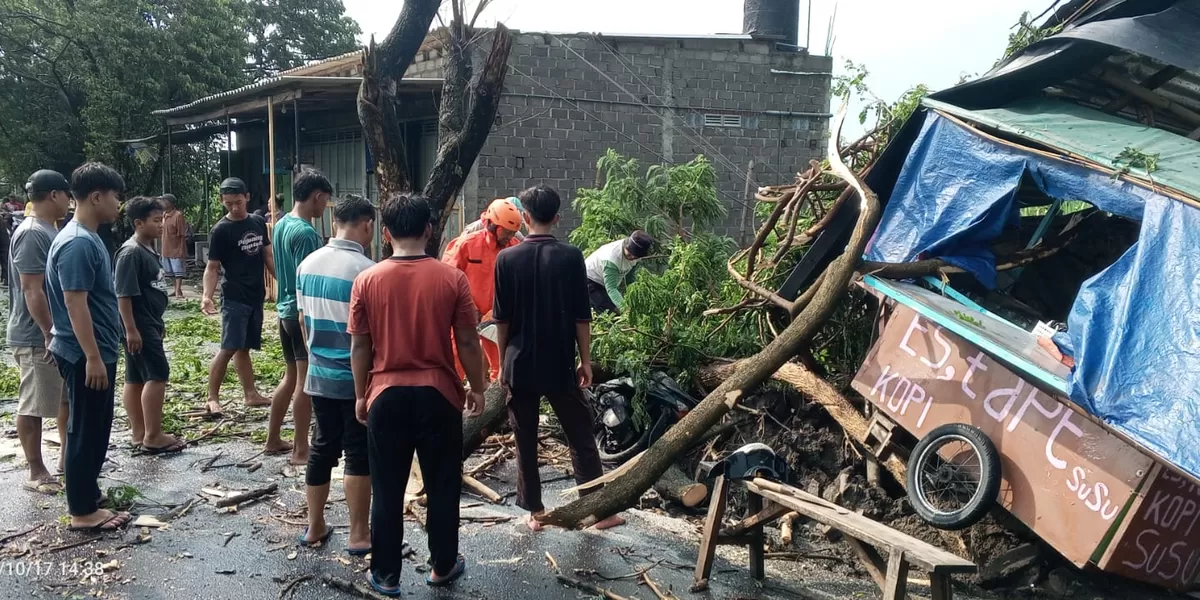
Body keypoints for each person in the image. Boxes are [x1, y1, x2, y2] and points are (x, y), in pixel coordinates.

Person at [348, 194, 486, 594]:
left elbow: (360, 347)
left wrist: (361, 395)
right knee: (443, 484)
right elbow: (468, 341)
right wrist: (476, 387)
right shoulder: (451, 278)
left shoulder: (368, 280)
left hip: (385, 395)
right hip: (439, 394)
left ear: (386, 233)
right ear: (429, 229)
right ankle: (443, 565)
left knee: (387, 487)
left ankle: (386, 575)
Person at [493, 185, 624, 532]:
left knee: (525, 438)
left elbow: (501, 320)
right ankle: (598, 511)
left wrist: (502, 362)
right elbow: (583, 317)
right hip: (559, 363)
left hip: (519, 363)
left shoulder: (506, 258)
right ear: (557, 218)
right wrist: (585, 360)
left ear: (525, 217)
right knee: (581, 434)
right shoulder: (570, 256)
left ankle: (535, 513)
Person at [46, 162, 130, 531]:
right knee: (86, 427)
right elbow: (73, 303)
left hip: (89, 350)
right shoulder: (79, 242)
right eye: (116, 197)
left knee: (97, 424)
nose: (119, 205)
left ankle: (88, 492)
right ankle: (82, 511)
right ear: (96, 197)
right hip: (86, 354)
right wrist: (93, 356)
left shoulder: (86, 236)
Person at [295, 195, 376, 555]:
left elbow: (301, 321)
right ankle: (359, 534)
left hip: (319, 374)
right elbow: (370, 336)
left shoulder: (307, 265)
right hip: (355, 379)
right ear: (367, 225)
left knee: (322, 448)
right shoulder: (366, 270)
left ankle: (314, 527)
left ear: (334, 222)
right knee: (358, 452)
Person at [8, 170, 72, 495]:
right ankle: (35, 470)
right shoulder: (33, 233)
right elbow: (32, 289)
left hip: (54, 331)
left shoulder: (51, 229)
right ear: (54, 195)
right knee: (33, 404)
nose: (69, 200)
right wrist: (48, 332)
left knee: (63, 400)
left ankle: (66, 459)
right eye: (66, 194)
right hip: (36, 335)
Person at [268, 169, 331, 465]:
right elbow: (307, 278)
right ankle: (300, 449)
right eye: (324, 202)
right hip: (299, 312)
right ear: (316, 197)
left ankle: (272, 439)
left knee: (290, 376)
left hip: (284, 311)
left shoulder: (281, 224)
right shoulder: (305, 233)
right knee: (305, 382)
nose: (324, 208)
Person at [116, 196, 185, 455]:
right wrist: (131, 329)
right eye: (156, 221)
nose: (161, 225)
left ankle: (140, 433)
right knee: (158, 374)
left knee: (135, 378)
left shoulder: (147, 249)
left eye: (163, 219)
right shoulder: (131, 252)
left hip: (148, 322)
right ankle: (153, 435)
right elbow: (123, 294)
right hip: (139, 324)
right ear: (138, 223)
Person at [201, 177, 274, 417]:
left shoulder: (257, 222)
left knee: (244, 348)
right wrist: (206, 296)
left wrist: (284, 283)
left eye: (238, 202)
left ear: (247, 197)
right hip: (234, 297)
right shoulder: (221, 230)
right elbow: (212, 267)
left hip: (255, 295)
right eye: (229, 203)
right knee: (229, 347)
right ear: (222, 201)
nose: (234, 207)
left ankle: (250, 394)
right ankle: (212, 397)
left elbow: (267, 256)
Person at [442, 198, 522, 381]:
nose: (509, 236)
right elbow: (447, 278)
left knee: (501, 366)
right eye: (506, 231)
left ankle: (497, 405)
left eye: (513, 232)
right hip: (464, 314)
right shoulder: (466, 245)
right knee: (455, 360)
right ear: (492, 224)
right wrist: (466, 305)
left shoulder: (515, 249)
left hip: (497, 317)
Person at [584, 230, 654, 314]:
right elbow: (612, 289)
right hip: (589, 279)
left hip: (605, 282)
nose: (632, 258)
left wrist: (633, 296)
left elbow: (630, 278)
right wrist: (626, 309)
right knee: (609, 312)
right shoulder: (611, 259)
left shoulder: (636, 256)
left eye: (635, 257)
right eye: (630, 254)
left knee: (616, 307)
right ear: (626, 246)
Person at [460, 196, 525, 242]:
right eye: (507, 232)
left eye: (512, 233)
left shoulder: (516, 237)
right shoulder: (474, 230)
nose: (510, 237)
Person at [160, 194, 188, 299]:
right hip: (165, 247)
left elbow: (181, 234)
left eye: (164, 201)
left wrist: (181, 249)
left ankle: (178, 291)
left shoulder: (178, 215)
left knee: (178, 270)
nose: (162, 203)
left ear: (170, 203)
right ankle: (176, 289)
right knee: (169, 271)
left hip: (176, 246)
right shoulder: (163, 215)